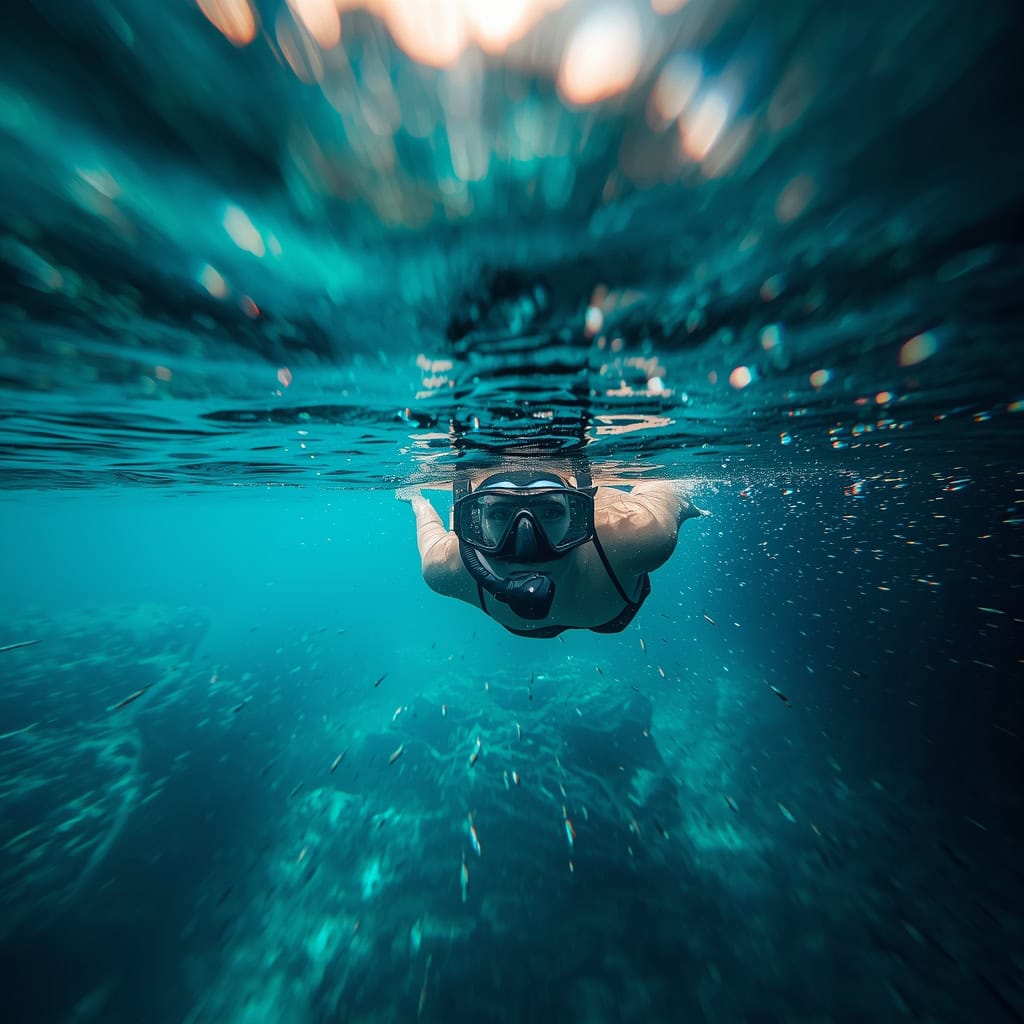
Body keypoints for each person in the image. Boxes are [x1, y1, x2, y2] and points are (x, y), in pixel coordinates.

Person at [396, 463, 706, 638]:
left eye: (552, 513)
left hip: (609, 595)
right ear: (472, 523)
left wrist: (683, 507)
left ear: (580, 518)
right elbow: (431, 533)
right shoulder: (446, 567)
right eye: (500, 515)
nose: (526, 545)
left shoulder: (639, 533)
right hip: (609, 602)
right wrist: (417, 501)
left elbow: (665, 492)